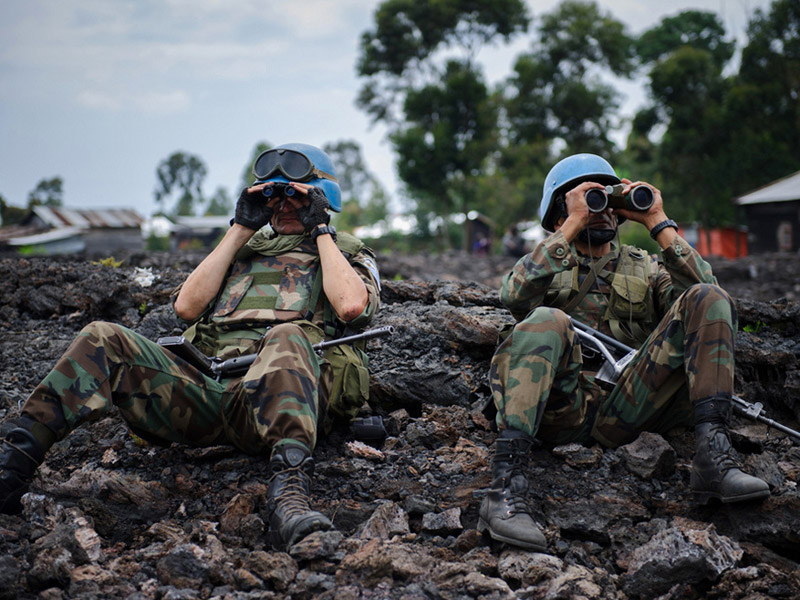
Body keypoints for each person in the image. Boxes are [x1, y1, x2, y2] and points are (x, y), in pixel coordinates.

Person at [0, 143, 381, 551]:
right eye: (273, 195)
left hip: (278, 404)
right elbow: (186, 306)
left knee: (288, 336)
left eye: (295, 196)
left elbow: (351, 305)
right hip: (209, 394)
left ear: (322, 198)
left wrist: (321, 229)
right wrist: (241, 227)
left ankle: (289, 496)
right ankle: (12, 467)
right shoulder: (243, 252)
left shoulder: (346, 254)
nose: (283, 206)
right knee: (102, 336)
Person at [478, 153, 769, 552]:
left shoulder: (645, 267)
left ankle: (713, 457)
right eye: (589, 199)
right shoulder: (548, 260)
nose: (601, 211)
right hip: (562, 406)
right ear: (560, 211)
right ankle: (506, 489)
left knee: (707, 296)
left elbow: (710, 300)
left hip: (630, 406)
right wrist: (573, 223)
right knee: (546, 318)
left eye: (606, 200)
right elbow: (513, 295)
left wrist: (656, 222)